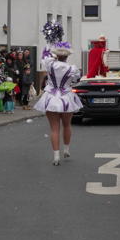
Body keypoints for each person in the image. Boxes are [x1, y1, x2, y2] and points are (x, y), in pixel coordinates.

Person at [34, 22, 82, 165]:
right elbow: (75, 80)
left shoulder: (50, 64)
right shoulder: (72, 68)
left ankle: (56, 156)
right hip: (66, 97)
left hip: (51, 97)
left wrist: (50, 42)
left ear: (56, 56)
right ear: (67, 56)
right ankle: (66, 149)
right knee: (67, 125)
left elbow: (45, 54)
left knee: (54, 128)